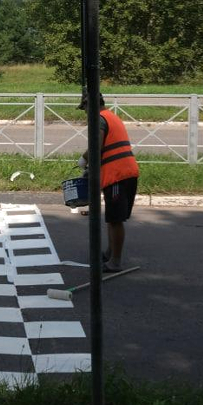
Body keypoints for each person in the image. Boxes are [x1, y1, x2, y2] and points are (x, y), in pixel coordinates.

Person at [79, 92, 139, 272]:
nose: (85, 113)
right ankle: (109, 253)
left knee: (115, 220)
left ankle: (115, 261)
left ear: (89, 105)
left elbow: (96, 146)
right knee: (114, 218)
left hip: (117, 175)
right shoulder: (112, 116)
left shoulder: (100, 119)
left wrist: (85, 159)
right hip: (127, 171)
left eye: (85, 109)